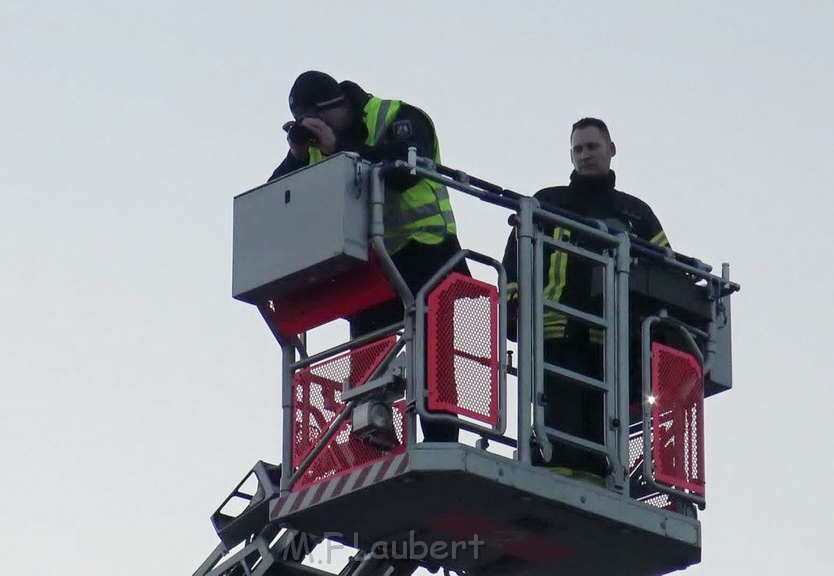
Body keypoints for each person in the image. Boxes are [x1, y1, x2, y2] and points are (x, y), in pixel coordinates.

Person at [272, 71, 468, 442]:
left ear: (337, 107)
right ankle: (373, 438)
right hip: (372, 263)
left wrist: (339, 148)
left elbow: (405, 172)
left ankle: (442, 440)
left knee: (433, 353)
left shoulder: (397, 116)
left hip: (428, 251)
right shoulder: (316, 146)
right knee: (366, 355)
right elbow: (278, 201)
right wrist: (295, 157)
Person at [502, 118, 670, 480]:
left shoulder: (635, 214)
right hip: (553, 332)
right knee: (558, 423)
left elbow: (665, 271)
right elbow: (514, 260)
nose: (585, 155)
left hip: (609, 344)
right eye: (578, 149)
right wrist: (513, 306)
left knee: (601, 433)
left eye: (592, 147)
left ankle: (595, 485)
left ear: (611, 150)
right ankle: (553, 482)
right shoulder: (547, 201)